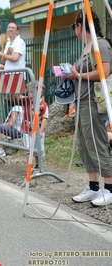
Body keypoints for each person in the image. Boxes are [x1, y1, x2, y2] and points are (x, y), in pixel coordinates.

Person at [62, 10, 112, 207]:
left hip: (93, 103)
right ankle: (92, 187)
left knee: (98, 145)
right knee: (85, 147)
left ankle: (109, 188)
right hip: (81, 103)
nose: (74, 30)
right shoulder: (87, 48)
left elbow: (104, 72)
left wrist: (78, 76)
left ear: (80, 25)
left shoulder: (100, 45)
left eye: (74, 26)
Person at [20, 81, 49, 171]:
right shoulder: (27, 100)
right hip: (27, 129)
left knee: (38, 148)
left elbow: (45, 118)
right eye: (29, 92)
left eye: (32, 92)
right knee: (28, 148)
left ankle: (37, 165)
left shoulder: (43, 105)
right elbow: (17, 98)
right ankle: (30, 167)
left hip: (38, 131)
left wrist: (40, 130)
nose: (30, 94)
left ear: (40, 93)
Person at [0, 93, 23, 159]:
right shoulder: (16, 108)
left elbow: (11, 123)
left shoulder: (16, 108)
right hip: (17, 130)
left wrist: (4, 125)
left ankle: (0, 150)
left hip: (18, 131)